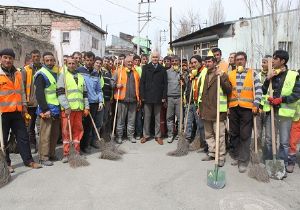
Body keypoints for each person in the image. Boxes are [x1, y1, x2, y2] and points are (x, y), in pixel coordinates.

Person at [0, 48, 42, 172]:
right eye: (5, 57)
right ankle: (6, 163)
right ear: (1, 58)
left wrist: (24, 107)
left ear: (13, 59)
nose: (8, 60)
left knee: (23, 137)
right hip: (3, 113)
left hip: (17, 111)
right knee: (3, 139)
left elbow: (22, 92)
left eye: (10, 58)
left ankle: (29, 161)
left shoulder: (17, 73)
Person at [262, 50, 300, 175]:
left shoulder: (293, 75)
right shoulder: (271, 74)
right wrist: (267, 79)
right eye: (272, 58)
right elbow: (263, 91)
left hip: (284, 113)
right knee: (268, 139)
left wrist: (281, 99)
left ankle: (282, 165)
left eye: (275, 58)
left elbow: (297, 94)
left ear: (283, 61)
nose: (272, 60)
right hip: (270, 111)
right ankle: (269, 163)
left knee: (284, 142)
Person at [228, 51, 262, 173]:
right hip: (233, 108)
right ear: (235, 61)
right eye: (237, 59)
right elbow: (227, 92)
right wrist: (227, 106)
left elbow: (258, 90)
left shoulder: (253, 73)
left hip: (247, 109)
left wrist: (256, 104)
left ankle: (243, 160)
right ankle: (237, 156)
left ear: (245, 60)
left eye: (241, 59)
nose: (239, 61)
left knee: (245, 134)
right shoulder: (230, 74)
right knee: (234, 134)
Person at [198, 55, 232, 166]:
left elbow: (228, 89)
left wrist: (221, 77)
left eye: (209, 62)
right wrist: (200, 107)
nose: (207, 64)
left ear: (214, 62)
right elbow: (201, 92)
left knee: (220, 135)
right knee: (208, 134)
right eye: (206, 62)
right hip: (206, 109)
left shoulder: (222, 74)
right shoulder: (205, 75)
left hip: (218, 110)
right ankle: (212, 152)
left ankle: (221, 156)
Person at [57, 56, 89, 163]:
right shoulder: (63, 76)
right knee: (66, 132)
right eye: (69, 63)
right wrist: (66, 106)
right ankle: (66, 154)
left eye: (73, 63)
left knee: (78, 131)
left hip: (79, 109)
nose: (71, 65)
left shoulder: (80, 77)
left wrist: (86, 107)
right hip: (68, 110)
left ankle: (76, 152)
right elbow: (60, 93)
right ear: (66, 64)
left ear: (76, 64)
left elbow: (84, 94)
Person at [34, 52, 61, 166]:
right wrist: (45, 109)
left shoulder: (55, 73)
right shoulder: (41, 74)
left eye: (51, 60)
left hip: (56, 108)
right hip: (46, 109)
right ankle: (43, 157)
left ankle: (51, 153)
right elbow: (39, 94)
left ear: (54, 61)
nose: (50, 62)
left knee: (55, 134)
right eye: (47, 61)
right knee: (45, 135)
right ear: (44, 62)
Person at [77, 51, 103, 154]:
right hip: (83, 102)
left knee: (91, 126)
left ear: (93, 61)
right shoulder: (79, 71)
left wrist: (100, 101)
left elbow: (99, 89)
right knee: (82, 125)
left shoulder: (96, 73)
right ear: (84, 60)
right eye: (87, 60)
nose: (89, 62)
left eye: (91, 60)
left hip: (94, 103)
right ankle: (80, 145)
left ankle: (87, 145)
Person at [140, 51, 167, 145]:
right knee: (147, 117)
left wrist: (164, 97)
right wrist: (142, 96)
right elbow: (142, 83)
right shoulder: (145, 68)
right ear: (151, 58)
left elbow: (165, 84)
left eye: (156, 57)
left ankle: (158, 136)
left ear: (158, 58)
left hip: (158, 97)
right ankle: (146, 135)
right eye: (153, 57)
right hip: (147, 96)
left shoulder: (162, 69)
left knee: (157, 117)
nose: (155, 59)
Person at [113, 55, 140, 143]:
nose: (130, 63)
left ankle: (130, 136)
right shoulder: (119, 71)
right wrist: (116, 85)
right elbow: (111, 82)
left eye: (131, 62)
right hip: (122, 100)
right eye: (128, 61)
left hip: (133, 100)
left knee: (131, 121)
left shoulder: (135, 73)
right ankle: (119, 136)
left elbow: (138, 86)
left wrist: (138, 99)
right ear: (124, 62)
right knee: (120, 120)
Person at [22, 49, 43, 151]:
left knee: (42, 126)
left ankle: (42, 145)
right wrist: (24, 103)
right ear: (31, 58)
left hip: (42, 103)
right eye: (34, 56)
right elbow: (22, 88)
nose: (36, 58)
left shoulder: (44, 69)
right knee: (30, 126)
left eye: (37, 56)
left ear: (40, 57)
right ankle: (32, 145)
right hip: (30, 103)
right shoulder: (25, 70)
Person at [186, 55, 205, 147]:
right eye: (192, 63)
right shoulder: (191, 73)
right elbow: (188, 88)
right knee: (188, 122)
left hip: (198, 103)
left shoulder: (203, 72)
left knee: (199, 124)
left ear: (200, 63)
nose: (193, 64)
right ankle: (187, 139)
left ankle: (200, 141)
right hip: (190, 102)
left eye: (195, 62)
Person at [166, 55, 183, 143]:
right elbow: (164, 85)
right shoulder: (167, 72)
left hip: (179, 97)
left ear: (179, 62)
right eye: (173, 61)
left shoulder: (182, 72)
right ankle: (170, 135)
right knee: (169, 117)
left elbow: (186, 85)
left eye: (176, 61)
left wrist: (183, 79)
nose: (174, 62)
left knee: (180, 118)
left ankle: (180, 135)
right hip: (170, 98)